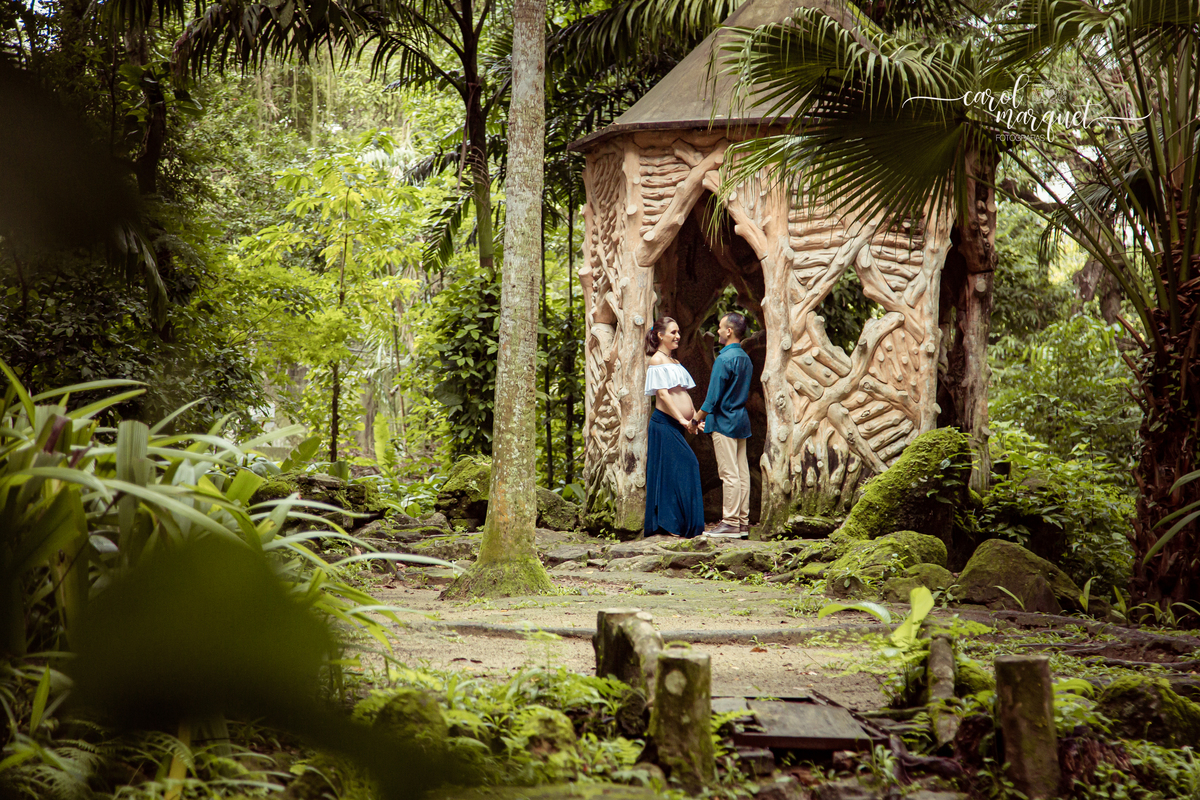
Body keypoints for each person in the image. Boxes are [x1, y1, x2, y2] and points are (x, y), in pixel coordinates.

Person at [643, 317, 705, 538]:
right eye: (673, 332)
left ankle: (675, 525)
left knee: (673, 472)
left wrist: (695, 420)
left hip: (679, 424)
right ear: (660, 335)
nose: (678, 336)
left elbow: (683, 394)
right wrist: (682, 420)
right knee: (689, 464)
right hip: (664, 423)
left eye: (678, 332)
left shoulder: (674, 362)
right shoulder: (657, 360)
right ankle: (675, 524)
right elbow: (662, 394)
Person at [692, 312, 753, 538]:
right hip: (740, 421)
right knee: (741, 472)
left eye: (720, 327)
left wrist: (696, 419)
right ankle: (742, 523)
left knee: (729, 474)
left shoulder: (723, 359)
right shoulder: (745, 358)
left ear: (729, 331)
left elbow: (713, 398)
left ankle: (730, 522)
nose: (717, 331)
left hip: (724, 422)